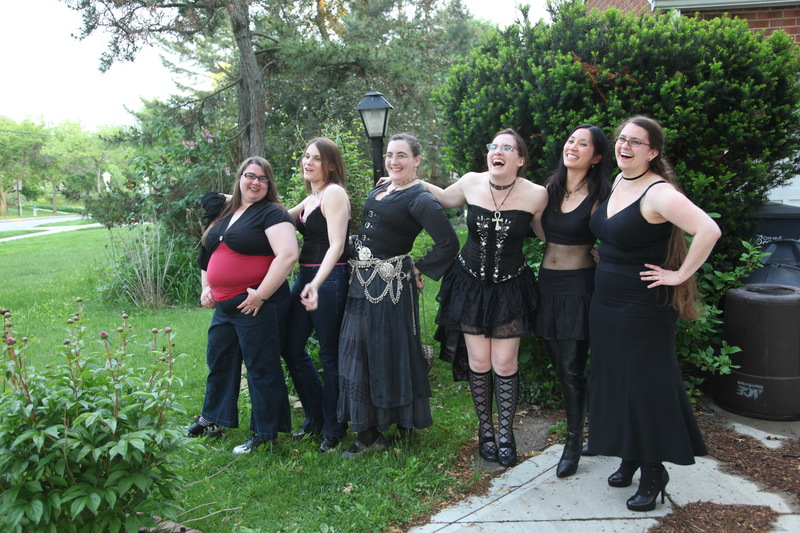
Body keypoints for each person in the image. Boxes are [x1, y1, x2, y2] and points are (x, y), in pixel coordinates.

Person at [587, 115, 721, 511]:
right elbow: (621, 233)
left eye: (636, 142)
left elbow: (708, 230)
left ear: (653, 152)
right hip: (606, 301)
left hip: (643, 307)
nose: (624, 146)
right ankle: (630, 455)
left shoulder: (659, 192)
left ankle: (652, 470)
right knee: (618, 380)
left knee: (644, 386)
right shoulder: (619, 181)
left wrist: (679, 274)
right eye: (622, 139)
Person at [426, 128, 549, 468]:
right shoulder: (470, 182)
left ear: (520, 160)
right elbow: (444, 198)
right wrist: (410, 179)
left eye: (507, 147)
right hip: (470, 285)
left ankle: (506, 434)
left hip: (510, 287)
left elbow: (547, 234)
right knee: (479, 363)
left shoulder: (537, 195)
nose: (498, 151)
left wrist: (589, 248)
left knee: (505, 364)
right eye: (494, 146)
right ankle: (486, 432)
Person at [337, 132, 459, 458]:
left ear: (417, 160)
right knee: (357, 351)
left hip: (388, 287)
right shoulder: (381, 188)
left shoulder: (421, 199)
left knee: (385, 352)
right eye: (390, 155)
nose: (393, 161)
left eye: (401, 155)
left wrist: (418, 267)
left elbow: (448, 243)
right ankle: (374, 428)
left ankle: (378, 431)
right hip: (360, 281)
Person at [189, 156, 299, 455]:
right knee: (220, 361)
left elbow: (288, 255)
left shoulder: (273, 213)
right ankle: (213, 419)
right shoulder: (227, 212)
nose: (255, 182)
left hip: (256, 304)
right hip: (224, 305)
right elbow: (207, 254)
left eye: (262, 178)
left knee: (261, 367)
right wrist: (207, 287)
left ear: (270, 183)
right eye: (250, 176)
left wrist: (261, 295)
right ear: (239, 178)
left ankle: (266, 433)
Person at [537, 124, 611, 478]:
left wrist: (607, 253)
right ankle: (596, 427)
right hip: (547, 287)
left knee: (571, 369)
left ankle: (572, 445)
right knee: (564, 368)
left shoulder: (601, 195)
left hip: (579, 288)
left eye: (584, 144)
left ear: (596, 158)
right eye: (571, 140)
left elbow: (623, 231)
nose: (574, 147)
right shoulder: (548, 190)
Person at [284, 138, 351, 453]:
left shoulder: (334, 193)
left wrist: (316, 283)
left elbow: (337, 245)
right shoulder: (312, 196)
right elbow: (280, 217)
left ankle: (333, 428)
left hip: (329, 277)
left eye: (316, 158)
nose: (307, 162)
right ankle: (315, 417)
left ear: (331, 165)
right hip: (306, 276)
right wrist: (239, 201)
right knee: (291, 346)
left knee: (329, 353)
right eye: (306, 156)